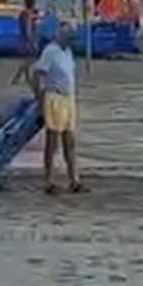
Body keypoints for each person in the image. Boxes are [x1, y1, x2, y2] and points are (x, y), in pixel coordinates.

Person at [32, 22, 85, 195]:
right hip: (54, 97)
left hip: (67, 98)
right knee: (52, 141)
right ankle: (49, 180)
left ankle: (74, 179)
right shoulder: (50, 51)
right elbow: (38, 74)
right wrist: (39, 97)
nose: (70, 40)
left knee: (70, 140)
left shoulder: (67, 52)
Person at [10, 0, 40, 85]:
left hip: (23, 38)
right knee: (31, 59)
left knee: (27, 58)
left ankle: (27, 79)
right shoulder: (27, 15)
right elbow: (28, 28)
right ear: (33, 4)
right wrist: (31, 41)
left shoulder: (24, 13)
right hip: (27, 39)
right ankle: (17, 76)